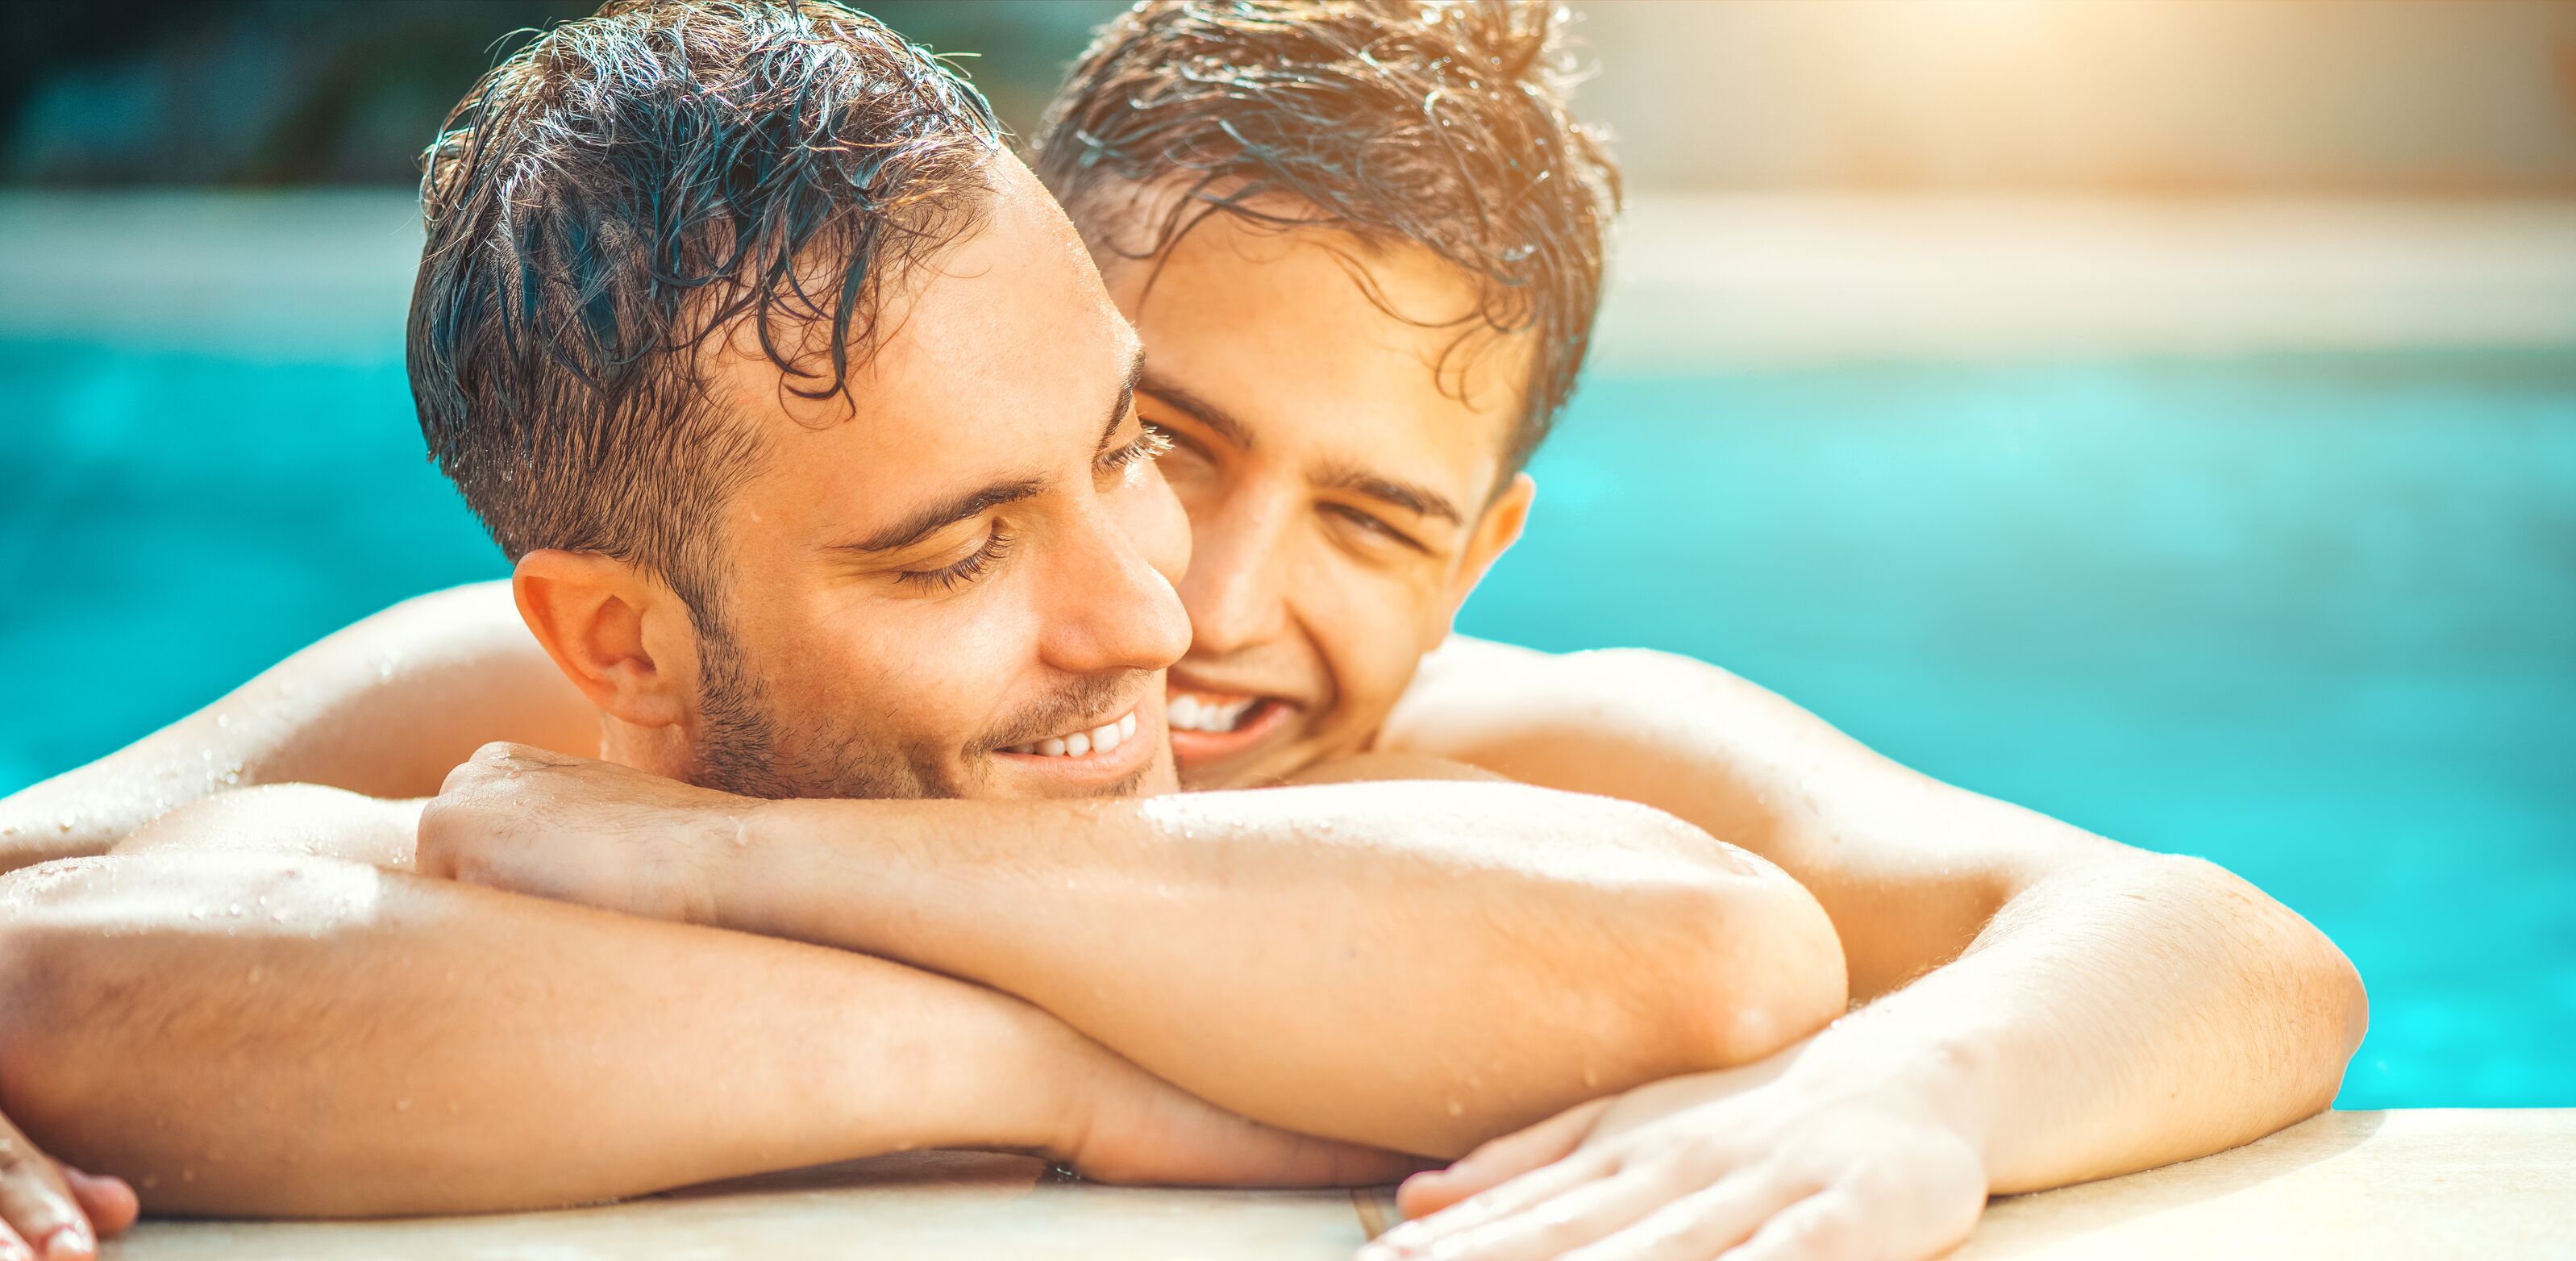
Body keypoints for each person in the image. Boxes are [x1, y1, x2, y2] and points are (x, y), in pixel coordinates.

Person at [0, 2, 2366, 1259]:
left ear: (1481, 551)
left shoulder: (1547, 763)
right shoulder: (540, 697)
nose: (1193, 609)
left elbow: (2227, 945)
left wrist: (1920, 1086)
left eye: (1371, 519)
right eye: (1161, 437)